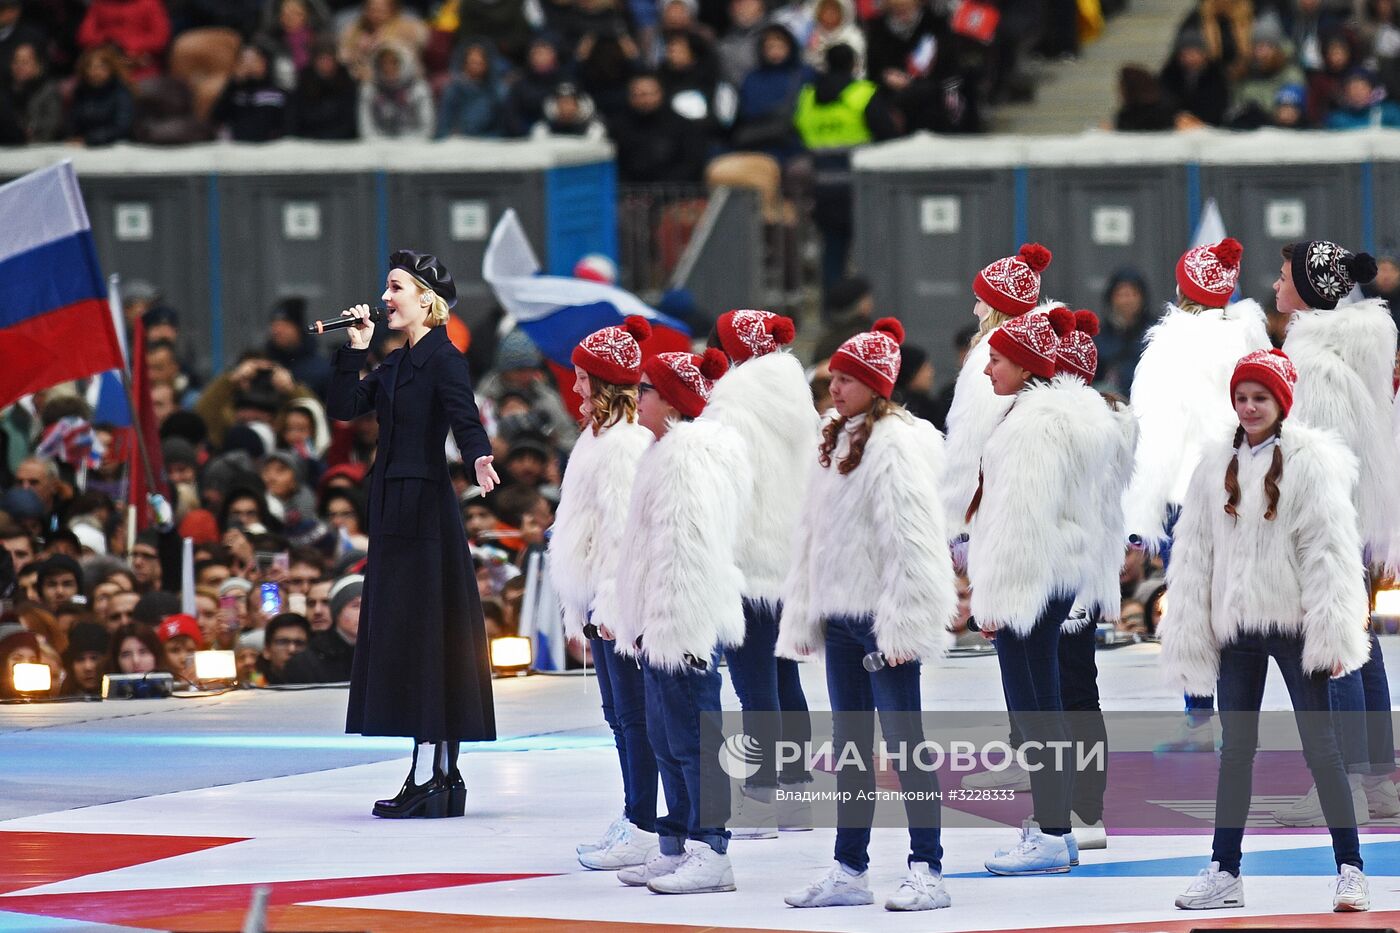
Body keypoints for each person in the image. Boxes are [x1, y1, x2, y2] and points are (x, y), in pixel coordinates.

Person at [1160, 348, 1371, 913]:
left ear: (1282, 402)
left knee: (1322, 750)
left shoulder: (1312, 460)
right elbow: (1196, 553)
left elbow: (1329, 552)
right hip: (1236, 632)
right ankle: (1224, 870)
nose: (1250, 407)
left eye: (1261, 397)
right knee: (1235, 752)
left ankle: (1351, 869)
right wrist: (1192, 626)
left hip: (1295, 627)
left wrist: (1332, 632)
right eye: (1242, 397)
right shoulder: (1213, 464)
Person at [778, 317, 957, 911]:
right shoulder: (831, 439)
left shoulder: (894, 443)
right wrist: (804, 615)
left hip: (882, 623)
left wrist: (905, 622)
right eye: (833, 375)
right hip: (840, 619)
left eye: (849, 378)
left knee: (907, 746)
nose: (835, 386)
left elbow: (913, 539)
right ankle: (849, 869)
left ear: (877, 385)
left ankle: (927, 867)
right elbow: (810, 536)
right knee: (851, 748)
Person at [330, 249, 500, 820]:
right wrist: (353, 350)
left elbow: (465, 419)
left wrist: (478, 459)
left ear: (426, 298)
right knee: (413, 631)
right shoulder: (397, 364)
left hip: (424, 507)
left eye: (395, 286)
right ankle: (442, 774)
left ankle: (432, 772)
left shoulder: (443, 359)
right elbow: (345, 406)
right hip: (393, 506)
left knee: (428, 634)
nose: (384, 298)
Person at [966, 305, 1111, 875]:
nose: (986, 371)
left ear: (1025, 368)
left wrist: (996, 598)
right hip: (1050, 577)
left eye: (996, 360)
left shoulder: (1031, 426)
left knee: (1036, 709)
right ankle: (1059, 831)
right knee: (1044, 706)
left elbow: (1021, 522)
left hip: (1028, 582)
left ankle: (1052, 833)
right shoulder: (1049, 415)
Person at [1120, 239, 1268, 753]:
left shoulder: (1169, 347)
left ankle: (1200, 719)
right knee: (1236, 603)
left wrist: (1141, 508)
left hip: (1188, 494)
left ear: (1183, 288)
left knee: (1191, 607)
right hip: (1247, 485)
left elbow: (1153, 435)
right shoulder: (1251, 340)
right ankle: (1234, 723)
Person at [611, 348, 748, 895]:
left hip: (683, 620)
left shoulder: (689, 458)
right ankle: (678, 842)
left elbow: (689, 551)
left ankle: (713, 850)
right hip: (658, 620)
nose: (635, 397)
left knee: (693, 739)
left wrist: (678, 627)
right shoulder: (662, 452)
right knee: (667, 737)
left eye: (644, 389)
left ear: (669, 400)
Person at [1274, 240, 1400, 825]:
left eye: (1283, 276)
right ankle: (1375, 780)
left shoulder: (1319, 364)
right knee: (1359, 643)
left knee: (1332, 651)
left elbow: (1318, 456)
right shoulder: (1351, 347)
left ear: (1309, 286)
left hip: (1329, 523)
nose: (1275, 286)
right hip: (1356, 517)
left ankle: (1343, 783)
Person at [548, 317, 658, 870]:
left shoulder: (622, 447)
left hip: (620, 603)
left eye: (582, 379)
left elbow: (623, 533)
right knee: (618, 715)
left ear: (606, 384)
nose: (575, 388)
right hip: (597, 599)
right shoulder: (595, 441)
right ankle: (634, 813)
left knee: (635, 716)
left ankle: (645, 821)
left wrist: (613, 602)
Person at [703, 309, 816, 839]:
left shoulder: (729, 409)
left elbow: (723, 489)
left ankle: (762, 796)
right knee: (784, 677)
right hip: (789, 556)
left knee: (754, 686)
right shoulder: (800, 402)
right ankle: (795, 794)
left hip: (747, 555)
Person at [1053, 310, 1138, 852]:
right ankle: (1082, 809)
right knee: (1078, 693)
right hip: (1083, 572)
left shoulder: (1064, 426)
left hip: (1059, 572)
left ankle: (1076, 810)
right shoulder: (1111, 421)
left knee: (1062, 694)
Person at [941, 244, 1052, 547]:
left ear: (998, 308)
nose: (975, 310)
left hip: (990, 518)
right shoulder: (1041, 348)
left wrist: (956, 524)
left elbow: (971, 446)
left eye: (980, 301)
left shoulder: (990, 358)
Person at [359, 41, 434, 140]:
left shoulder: (418, 89)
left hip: (413, 144)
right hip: (379, 146)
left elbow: (426, 129)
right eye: (383, 63)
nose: (388, 68)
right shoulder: (370, 90)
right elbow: (366, 129)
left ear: (404, 63)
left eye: (394, 62)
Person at [66, 45, 132, 146]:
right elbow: (73, 123)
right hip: (83, 145)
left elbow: (121, 127)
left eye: (101, 67)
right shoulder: (80, 92)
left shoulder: (121, 93)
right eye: (91, 67)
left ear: (111, 69)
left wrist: (91, 139)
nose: (95, 72)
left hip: (115, 146)